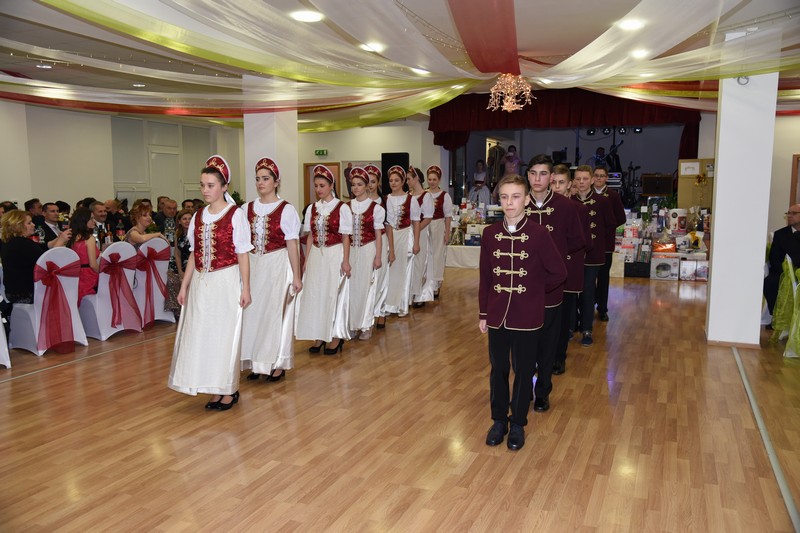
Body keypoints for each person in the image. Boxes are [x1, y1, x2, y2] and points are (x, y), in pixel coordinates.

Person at [479, 174, 567, 451]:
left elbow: (559, 272)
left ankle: (517, 422)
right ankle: (498, 420)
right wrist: (483, 313)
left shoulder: (539, 234)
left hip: (528, 316)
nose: (509, 203)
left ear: (526, 200)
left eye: (516, 196)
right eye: (504, 197)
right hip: (498, 314)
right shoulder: (490, 234)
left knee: (525, 369)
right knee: (498, 369)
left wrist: (534, 293)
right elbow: (485, 277)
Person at [168, 155, 253, 411]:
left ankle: (228, 389)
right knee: (202, 334)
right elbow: (195, 254)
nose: (205, 190)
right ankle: (211, 386)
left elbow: (242, 254)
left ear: (224, 186)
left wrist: (246, 288)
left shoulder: (236, 215)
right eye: (203, 185)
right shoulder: (198, 216)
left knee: (223, 335)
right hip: (202, 282)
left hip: (226, 280)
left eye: (211, 185)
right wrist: (184, 286)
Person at [524, 155, 584, 409]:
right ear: (528, 175)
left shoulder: (565, 206)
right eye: (533, 173)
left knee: (549, 341)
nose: (537, 179)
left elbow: (578, 240)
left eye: (543, 174)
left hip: (551, 286)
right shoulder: (519, 203)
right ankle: (523, 389)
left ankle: (543, 391)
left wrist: (556, 260)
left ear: (551, 177)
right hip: (522, 286)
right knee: (523, 343)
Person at [241, 157, 303, 381]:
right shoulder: (246, 208)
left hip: (277, 265)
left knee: (274, 314)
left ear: (276, 182)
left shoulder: (286, 209)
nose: (261, 183)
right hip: (254, 265)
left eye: (265, 178)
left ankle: (277, 363)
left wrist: (297, 276)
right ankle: (256, 360)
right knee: (253, 314)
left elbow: (292, 244)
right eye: (258, 179)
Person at [295, 164, 352, 355]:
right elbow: (311, 235)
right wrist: (306, 261)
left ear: (331, 185)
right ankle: (319, 334)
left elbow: (346, 237)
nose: (318, 189)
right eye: (316, 186)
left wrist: (345, 261)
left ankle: (335, 336)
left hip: (334, 253)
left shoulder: (341, 207)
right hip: (316, 255)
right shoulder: (312, 208)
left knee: (332, 293)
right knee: (316, 294)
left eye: (322, 185)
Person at [550, 164, 591, 374]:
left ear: (569, 185)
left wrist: (559, 249)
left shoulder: (578, 209)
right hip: (546, 272)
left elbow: (583, 241)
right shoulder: (542, 208)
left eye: (561, 183)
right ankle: (543, 357)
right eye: (554, 183)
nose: (557, 187)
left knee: (563, 317)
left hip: (567, 268)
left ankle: (559, 357)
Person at [571, 165, 616, 347]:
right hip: (573, 254)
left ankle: (587, 329)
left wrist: (598, 245)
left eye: (584, 179)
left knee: (588, 291)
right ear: (574, 181)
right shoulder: (569, 201)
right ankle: (571, 325)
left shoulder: (602, 201)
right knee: (572, 292)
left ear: (591, 180)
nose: (581, 182)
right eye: (578, 179)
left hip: (593, 254)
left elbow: (610, 224)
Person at [348, 167, 385, 340]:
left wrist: (378, 256)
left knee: (366, 287)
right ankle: (352, 323)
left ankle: (366, 324)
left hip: (368, 249)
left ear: (366, 186)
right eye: (353, 184)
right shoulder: (346, 207)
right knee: (351, 288)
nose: (356, 188)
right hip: (350, 251)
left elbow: (379, 235)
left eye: (360, 184)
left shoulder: (376, 208)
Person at [383, 165, 420, 318]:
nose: (393, 183)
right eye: (391, 180)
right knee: (389, 271)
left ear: (403, 181)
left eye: (396, 180)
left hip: (405, 235)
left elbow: (416, 221)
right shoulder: (386, 199)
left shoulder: (411, 200)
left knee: (404, 271)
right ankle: (389, 303)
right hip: (390, 237)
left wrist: (416, 242)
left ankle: (401, 305)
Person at [592, 165, 627, 322]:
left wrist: (607, 227)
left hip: (605, 243)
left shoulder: (612, 195)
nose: (599, 178)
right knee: (588, 278)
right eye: (596, 175)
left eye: (602, 176)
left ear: (606, 178)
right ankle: (589, 304)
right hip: (589, 244)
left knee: (603, 277)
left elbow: (621, 218)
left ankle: (602, 309)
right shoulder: (587, 194)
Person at [1, 210, 46, 305]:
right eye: (29, 223)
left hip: (12, 291)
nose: (33, 225)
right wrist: (59, 244)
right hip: (27, 293)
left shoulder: (8, 242)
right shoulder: (24, 244)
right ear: (18, 226)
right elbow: (46, 261)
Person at [764, 205, 800, 316]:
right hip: (783, 272)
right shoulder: (780, 234)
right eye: (788, 213)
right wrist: (787, 274)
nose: (789, 216)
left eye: (794, 213)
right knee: (770, 283)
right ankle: (776, 316)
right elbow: (774, 258)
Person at [365, 164, 389, 329]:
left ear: (378, 183)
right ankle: (366, 313)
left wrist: (391, 249)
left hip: (381, 240)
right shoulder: (357, 203)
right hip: (364, 244)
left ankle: (380, 312)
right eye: (367, 182)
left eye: (373, 181)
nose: (370, 185)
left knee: (380, 278)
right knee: (366, 279)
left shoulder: (384, 201)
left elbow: (389, 227)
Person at [408, 166, 434, 308]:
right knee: (410, 263)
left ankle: (419, 294)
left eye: (409, 179)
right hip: (409, 233)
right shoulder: (408, 195)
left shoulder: (426, 196)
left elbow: (428, 218)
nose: (407, 182)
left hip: (421, 231)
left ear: (416, 178)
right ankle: (409, 293)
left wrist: (415, 230)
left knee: (420, 262)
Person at [425, 165, 452, 299]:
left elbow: (448, 216)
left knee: (437, 255)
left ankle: (436, 284)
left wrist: (447, 233)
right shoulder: (424, 194)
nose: (432, 182)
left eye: (434, 179)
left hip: (438, 226)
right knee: (426, 255)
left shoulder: (444, 195)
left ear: (439, 180)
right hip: (425, 226)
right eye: (430, 179)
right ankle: (426, 283)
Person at [66, 207, 100, 305]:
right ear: (83, 220)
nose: (94, 221)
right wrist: (103, 272)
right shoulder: (89, 238)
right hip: (88, 276)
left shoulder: (71, 237)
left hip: (75, 274)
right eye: (91, 218)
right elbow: (93, 264)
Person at [165, 208, 193, 319]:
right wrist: (180, 270)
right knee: (170, 276)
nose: (187, 221)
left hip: (193, 264)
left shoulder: (196, 233)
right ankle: (176, 309)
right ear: (179, 221)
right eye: (184, 219)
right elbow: (177, 253)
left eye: (190, 219)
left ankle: (189, 310)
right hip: (182, 264)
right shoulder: (178, 234)